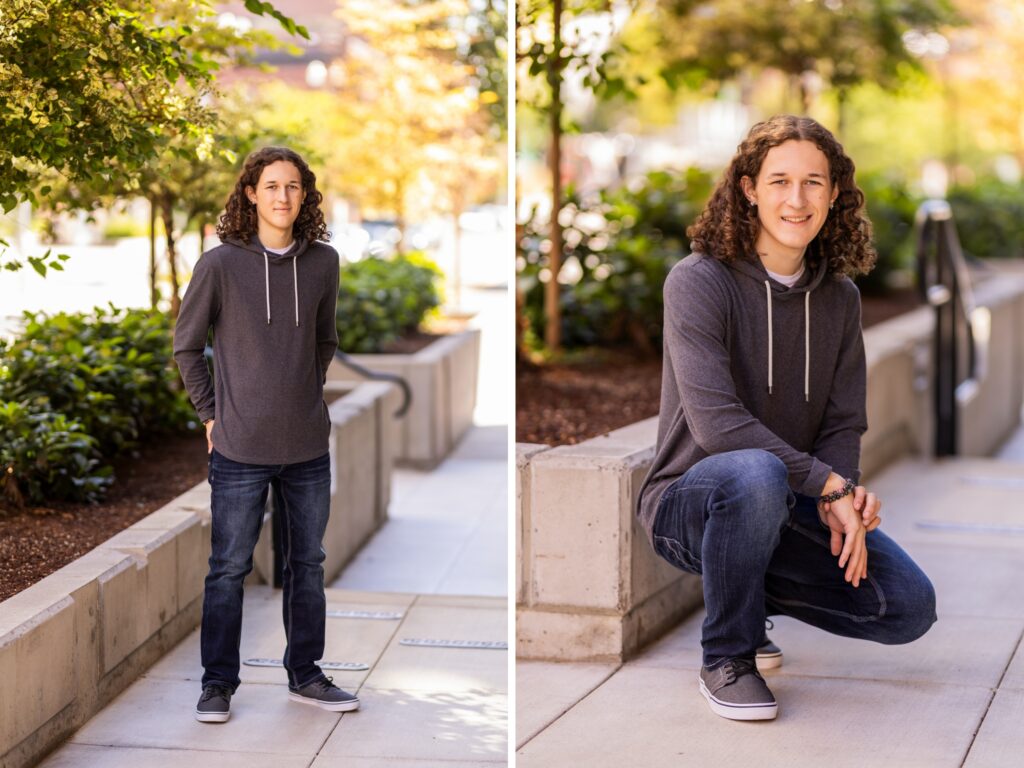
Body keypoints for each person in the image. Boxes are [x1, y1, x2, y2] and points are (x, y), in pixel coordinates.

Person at [636, 116, 936, 722]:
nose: (795, 200)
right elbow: (718, 426)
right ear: (749, 188)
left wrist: (838, 498)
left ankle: (744, 593)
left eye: (813, 183)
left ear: (834, 194)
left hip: (787, 502)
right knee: (752, 473)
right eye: (778, 181)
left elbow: (843, 420)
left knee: (905, 605)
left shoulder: (839, 298)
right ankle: (729, 655)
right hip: (688, 505)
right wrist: (829, 484)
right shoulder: (699, 281)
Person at [173, 146, 358, 723]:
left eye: (294, 187)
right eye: (272, 186)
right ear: (250, 193)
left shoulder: (324, 262)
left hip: (306, 445)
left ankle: (305, 674)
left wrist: (302, 391)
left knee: (307, 564)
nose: (283, 196)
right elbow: (186, 345)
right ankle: (216, 684)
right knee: (228, 568)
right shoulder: (220, 265)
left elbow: (325, 340)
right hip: (238, 447)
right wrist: (212, 413)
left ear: (305, 196)